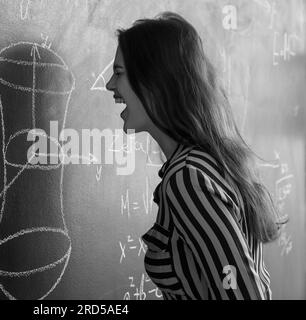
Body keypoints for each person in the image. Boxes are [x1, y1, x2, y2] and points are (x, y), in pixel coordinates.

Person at [105, 12, 284, 300]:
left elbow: (243, 295)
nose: (110, 85)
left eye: (120, 73)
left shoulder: (188, 178)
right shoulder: (201, 165)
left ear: (155, 83)